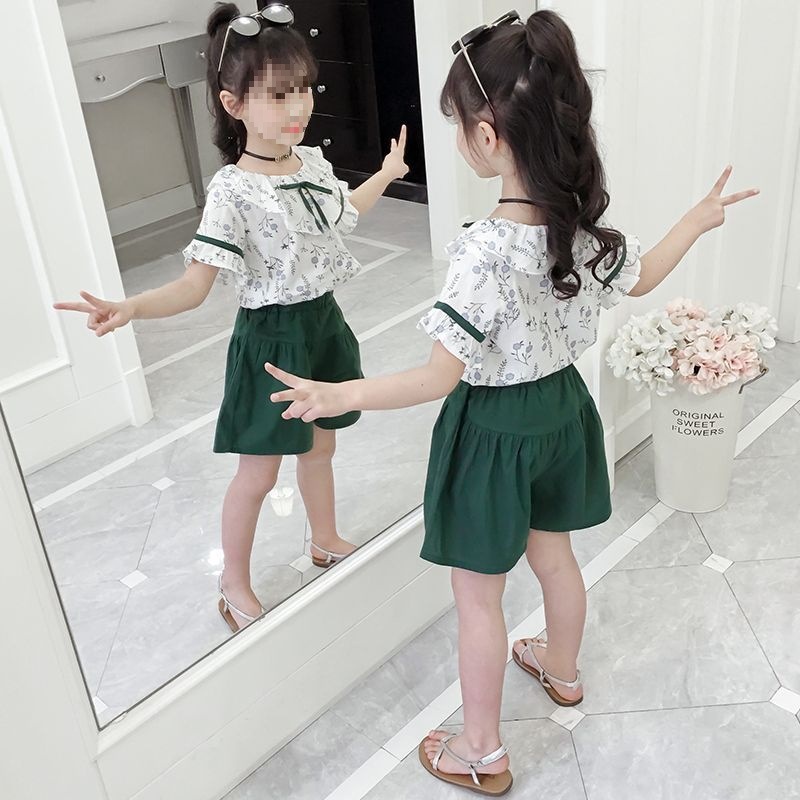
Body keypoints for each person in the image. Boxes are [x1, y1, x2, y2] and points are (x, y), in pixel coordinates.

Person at [264, 9, 758, 795]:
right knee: (554, 556)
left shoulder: (484, 250)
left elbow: (436, 379)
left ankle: (481, 751)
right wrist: (695, 221)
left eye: (459, 124)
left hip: (494, 430)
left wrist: (339, 392)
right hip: (564, 414)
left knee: (477, 597)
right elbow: (645, 278)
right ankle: (562, 669)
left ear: (489, 136)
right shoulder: (579, 227)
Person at [54, 2, 409, 633]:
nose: (299, 106)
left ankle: (323, 537)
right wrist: (131, 306)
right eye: (279, 94)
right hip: (271, 341)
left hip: (323, 326)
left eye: (304, 88)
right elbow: (195, 288)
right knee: (259, 471)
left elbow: (344, 213)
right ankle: (233, 580)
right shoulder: (232, 191)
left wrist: (385, 173)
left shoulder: (313, 163)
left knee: (322, 444)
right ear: (233, 103)